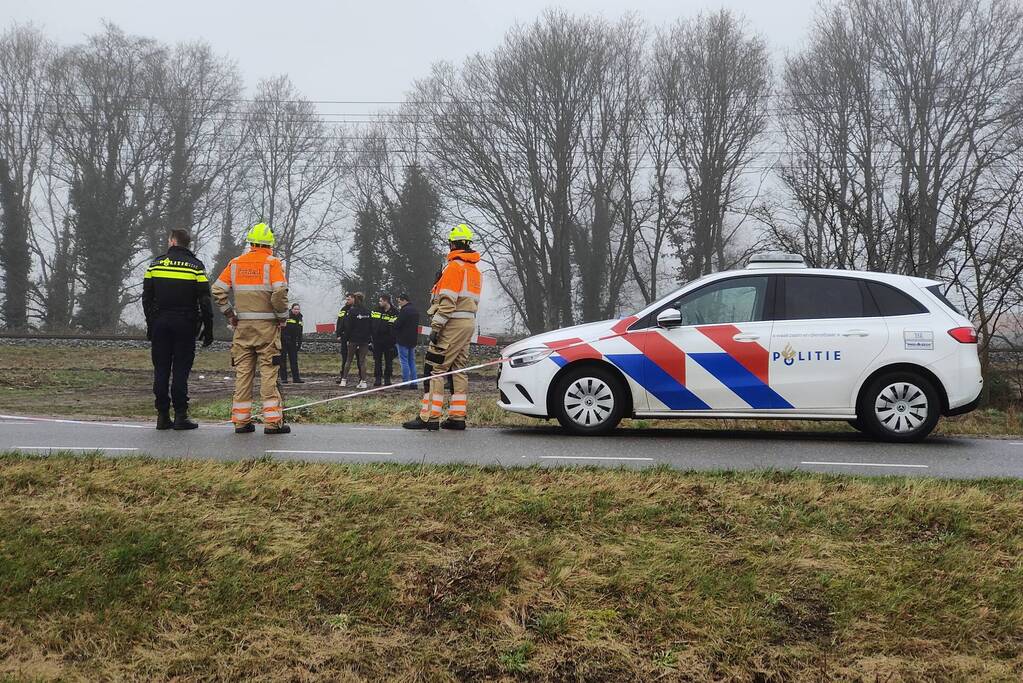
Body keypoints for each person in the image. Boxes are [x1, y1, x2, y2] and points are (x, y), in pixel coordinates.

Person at [211, 222, 291, 435]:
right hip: (267, 329)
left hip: (242, 329)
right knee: (268, 374)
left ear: (251, 243)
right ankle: (273, 423)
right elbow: (279, 292)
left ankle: (241, 422)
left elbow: (217, 290)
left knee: (243, 375)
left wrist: (230, 314)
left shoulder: (236, 263)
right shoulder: (273, 263)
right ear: (269, 245)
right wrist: (282, 316)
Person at [403, 224, 482, 431]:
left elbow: (447, 301)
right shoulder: (474, 270)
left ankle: (430, 417)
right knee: (459, 368)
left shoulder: (455, 267)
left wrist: (437, 326)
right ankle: (457, 417)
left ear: (453, 243)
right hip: (467, 323)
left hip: (451, 323)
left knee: (436, 368)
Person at [142, 228, 214, 430]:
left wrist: (151, 323)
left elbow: (146, 298)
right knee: (181, 369)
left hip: (161, 323)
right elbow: (205, 301)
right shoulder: (195, 267)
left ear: (173, 242)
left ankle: (162, 415)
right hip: (185, 323)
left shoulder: (155, 264)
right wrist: (208, 329)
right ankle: (181, 415)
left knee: (161, 368)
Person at [338, 291, 372, 388]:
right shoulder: (368, 311)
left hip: (353, 339)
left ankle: (343, 380)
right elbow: (371, 326)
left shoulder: (352, 311)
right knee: (362, 361)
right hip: (365, 339)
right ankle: (364, 381)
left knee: (348, 359)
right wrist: (369, 339)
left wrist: (347, 338)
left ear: (355, 299)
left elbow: (348, 326)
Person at [371, 294, 398, 386]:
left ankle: (387, 378)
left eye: (381, 301)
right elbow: (372, 323)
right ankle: (378, 378)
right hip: (377, 340)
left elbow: (395, 327)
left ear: (386, 301)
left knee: (388, 360)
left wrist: (393, 340)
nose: (379, 303)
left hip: (389, 341)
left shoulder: (394, 312)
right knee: (377, 360)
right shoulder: (376, 310)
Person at [394, 293, 420, 389]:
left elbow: (398, 324)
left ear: (404, 300)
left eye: (399, 301)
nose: (399, 303)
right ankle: (414, 383)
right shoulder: (415, 310)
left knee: (404, 361)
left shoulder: (404, 310)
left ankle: (405, 382)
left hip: (403, 339)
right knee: (411, 361)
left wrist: (393, 323)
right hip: (413, 339)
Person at [280, 303, 304, 384]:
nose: (296, 310)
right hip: (285, 341)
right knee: (283, 360)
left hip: (294, 342)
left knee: (294, 360)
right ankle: (284, 378)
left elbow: (300, 331)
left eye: (298, 309)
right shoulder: (287, 316)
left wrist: (299, 342)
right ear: (292, 309)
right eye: (295, 309)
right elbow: (283, 329)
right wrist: (286, 338)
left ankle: (296, 378)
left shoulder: (300, 318)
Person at [335, 292, 353, 382]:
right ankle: (343, 376)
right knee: (344, 357)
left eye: (349, 299)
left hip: (354, 337)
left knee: (358, 358)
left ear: (353, 299)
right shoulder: (343, 309)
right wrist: (338, 333)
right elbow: (339, 322)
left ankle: (362, 378)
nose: (347, 301)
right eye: (346, 299)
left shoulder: (355, 309)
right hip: (344, 337)